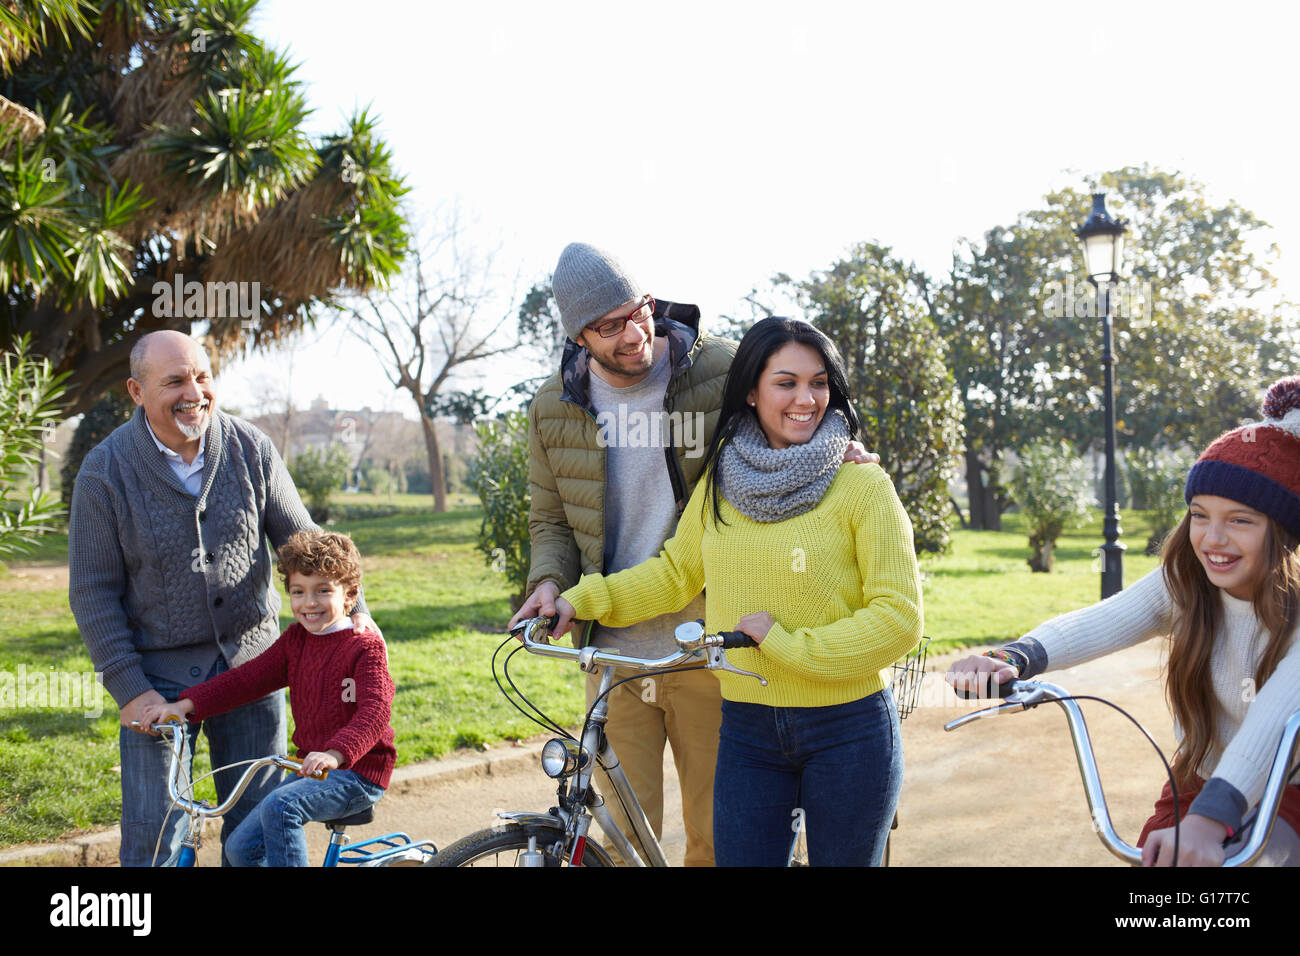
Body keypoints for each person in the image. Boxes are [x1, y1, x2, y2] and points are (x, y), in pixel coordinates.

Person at [510, 245, 876, 867]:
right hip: (616, 648)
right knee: (624, 836)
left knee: (719, 838)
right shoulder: (554, 407)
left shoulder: (720, 368)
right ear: (578, 336)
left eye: (641, 310)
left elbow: (796, 406)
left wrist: (836, 453)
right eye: (610, 326)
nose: (635, 334)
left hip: (709, 640)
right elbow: (550, 520)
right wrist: (549, 581)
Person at [947, 375, 1300, 867]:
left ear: (1284, 534)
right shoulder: (1190, 583)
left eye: (1240, 520)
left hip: (1289, 788)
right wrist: (1012, 657)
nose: (1213, 539)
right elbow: (1101, 621)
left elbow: (1275, 717)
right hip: (1202, 776)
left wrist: (1208, 819)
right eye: (1200, 515)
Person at [68, 329, 379, 866]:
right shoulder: (104, 471)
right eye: (174, 381)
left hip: (254, 664)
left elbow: (305, 544)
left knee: (256, 834)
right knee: (152, 840)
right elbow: (92, 592)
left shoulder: (249, 446)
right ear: (137, 391)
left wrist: (358, 616)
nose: (195, 392)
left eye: (202, 376)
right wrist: (128, 688)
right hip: (156, 680)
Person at [140, 530, 395, 866]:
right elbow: (247, 679)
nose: (309, 603)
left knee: (281, 806)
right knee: (239, 849)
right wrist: (184, 706)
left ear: (350, 595)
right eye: (298, 592)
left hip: (357, 773)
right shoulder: (297, 641)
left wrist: (335, 754)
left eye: (323, 591)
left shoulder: (364, 646)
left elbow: (375, 712)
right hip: (310, 769)